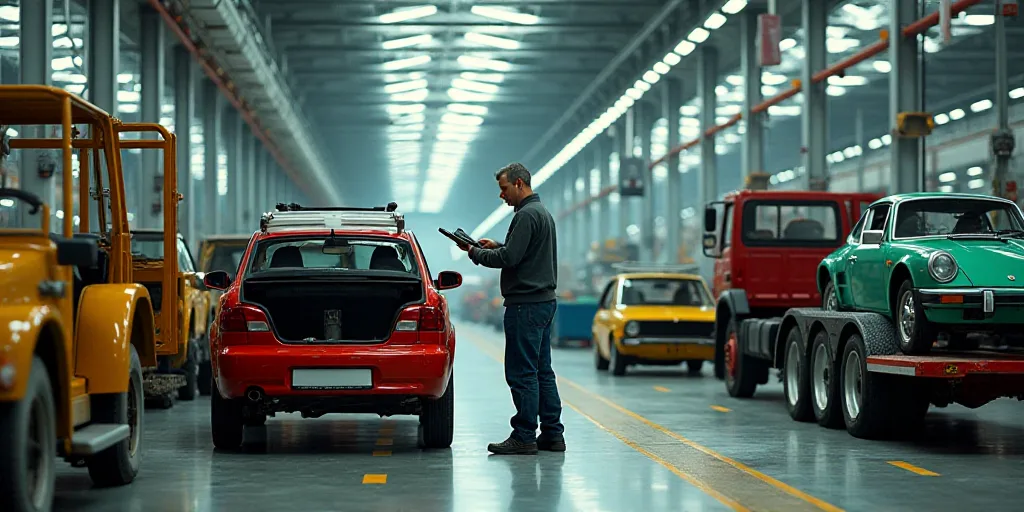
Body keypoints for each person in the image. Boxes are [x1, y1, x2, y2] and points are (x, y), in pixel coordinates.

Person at [457, 162, 564, 455]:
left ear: (519, 183)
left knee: (522, 373)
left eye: (504, 188)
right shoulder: (541, 213)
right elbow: (522, 252)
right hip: (543, 301)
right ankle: (553, 434)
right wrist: (497, 245)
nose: (501, 196)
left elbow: (511, 258)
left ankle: (524, 435)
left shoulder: (526, 215)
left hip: (525, 306)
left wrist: (476, 253)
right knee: (542, 371)